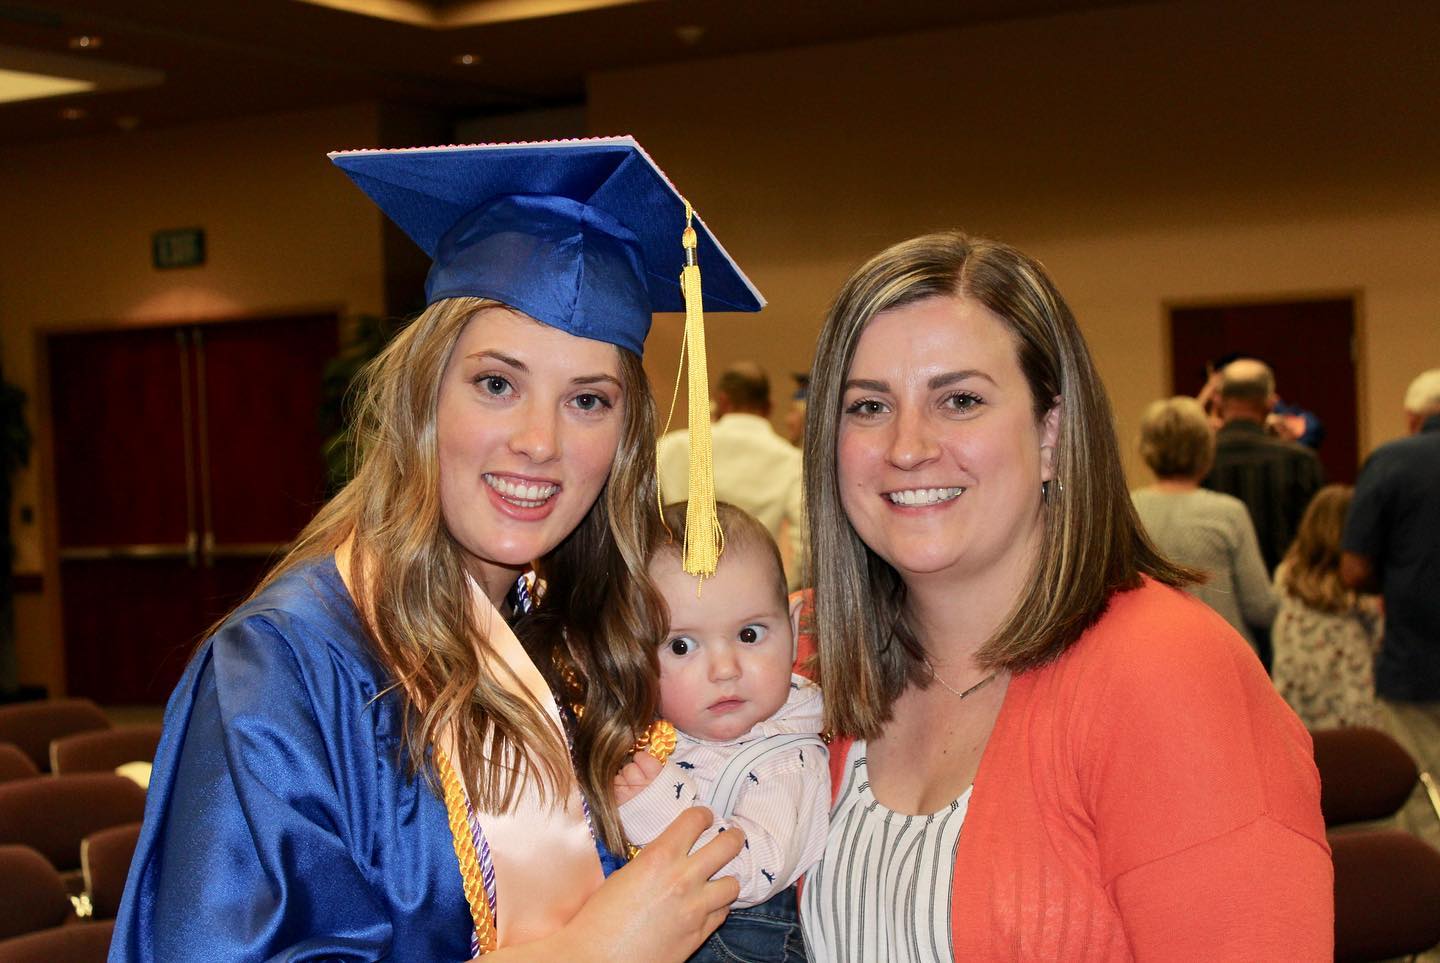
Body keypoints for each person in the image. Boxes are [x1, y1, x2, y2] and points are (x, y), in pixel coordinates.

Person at [110, 137, 765, 961]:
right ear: (425, 397)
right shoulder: (283, 669)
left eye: (588, 400)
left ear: (626, 438)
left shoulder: (581, 640)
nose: (539, 441)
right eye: (497, 383)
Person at [795, 231, 1331, 960]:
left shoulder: (1170, 672)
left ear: (1050, 431)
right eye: (866, 407)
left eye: (959, 399)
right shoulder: (799, 659)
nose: (908, 445)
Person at [615, 502, 826, 963]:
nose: (725, 669)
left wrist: (658, 807)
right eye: (682, 646)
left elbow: (752, 871)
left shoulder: (785, 758)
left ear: (791, 631)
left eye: (749, 635)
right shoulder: (654, 733)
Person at [1131, 396, 1276, 658]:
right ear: (1206, 450)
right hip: (1220, 655)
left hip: (1148, 653)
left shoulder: (1127, 510)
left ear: (1146, 449)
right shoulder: (1229, 513)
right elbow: (1260, 607)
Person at [657, 362, 807, 589]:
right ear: (768, 407)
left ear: (722, 401)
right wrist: (783, 591)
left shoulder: (669, 448)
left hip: (680, 585)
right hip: (753, 588)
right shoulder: (792, 461)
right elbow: (806, 545)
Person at [1341, 368, 1440, 705]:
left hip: (1415, 665)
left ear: (1412, 418)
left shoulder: (1389, 461)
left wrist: (1402, 581)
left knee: (1417, 758)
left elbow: (1353, 570)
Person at [1272, 485, 1382, 729]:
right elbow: (1378, 642)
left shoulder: (1286, 578)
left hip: (1297, 700)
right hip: (1352, 705)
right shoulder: (1359, 595)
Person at [1202, 358, 1325, 572]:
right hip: (1286, 591)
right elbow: (1316, 539)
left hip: (1216, 591)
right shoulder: (1301, 461)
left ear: (1219, 401)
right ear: (1271, 402)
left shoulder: (1200, 459)